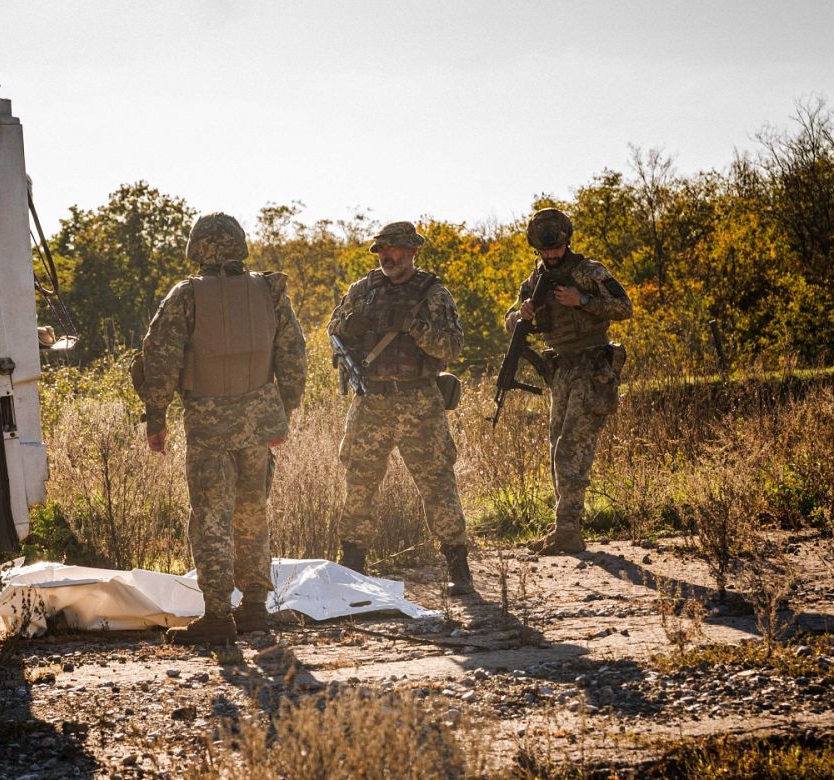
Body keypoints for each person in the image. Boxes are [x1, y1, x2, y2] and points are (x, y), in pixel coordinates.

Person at [137, 213, 307, 646]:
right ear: (239, 245)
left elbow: (159, 359)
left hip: (208, 425)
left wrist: (156, 418)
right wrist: (281, 413)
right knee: (252, 513)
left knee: (212, 516)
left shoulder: (187, 295)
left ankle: (217, 615)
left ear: (197, 248)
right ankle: (254, 608)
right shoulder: (269, 292)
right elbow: (293, 357)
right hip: (258, 421)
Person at [327, 221, 474, 596]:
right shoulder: (364, 289)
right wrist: (350, 325)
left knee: (437, 483)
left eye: (391, 250)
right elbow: (334, 330)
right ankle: (352, 568)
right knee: (359, 483)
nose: (385, 257)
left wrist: (413, 326)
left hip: (419, 402)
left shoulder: (433, 294)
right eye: (380, 251)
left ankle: (458, 566)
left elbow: (452, 347)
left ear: (412, 252)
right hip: (371, 400)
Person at [505, 207, 632, 555]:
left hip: (593, 367)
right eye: (544, 250)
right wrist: (522, 315)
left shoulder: (589, 271)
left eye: (556, 248)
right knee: (555, 447)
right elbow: (510, 320)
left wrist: (584, 301)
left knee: (571, 449)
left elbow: (624, 307)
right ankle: (563, 528)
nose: (551, 255)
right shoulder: (535, 281)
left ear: (566, 241)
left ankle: (569, 532)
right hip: (559, 370)